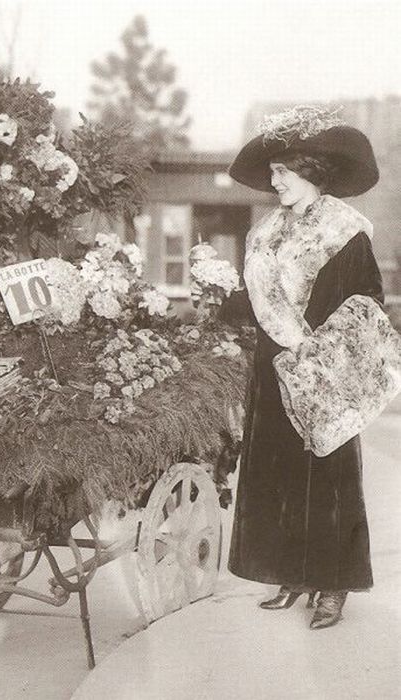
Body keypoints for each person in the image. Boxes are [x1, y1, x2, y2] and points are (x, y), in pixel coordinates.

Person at [226, 107, 401, 630]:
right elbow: (258, 303)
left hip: (322, 371)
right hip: (271, 368)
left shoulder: (344, 232)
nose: (275, 181)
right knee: (278, 472)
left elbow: (367, 300)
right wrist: (219, 296)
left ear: (311, 172)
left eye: (284, 171)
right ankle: (291, 574)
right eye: (273, 173)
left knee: (329, 478)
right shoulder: (265, 233)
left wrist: (317, 351)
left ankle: (332, 584)